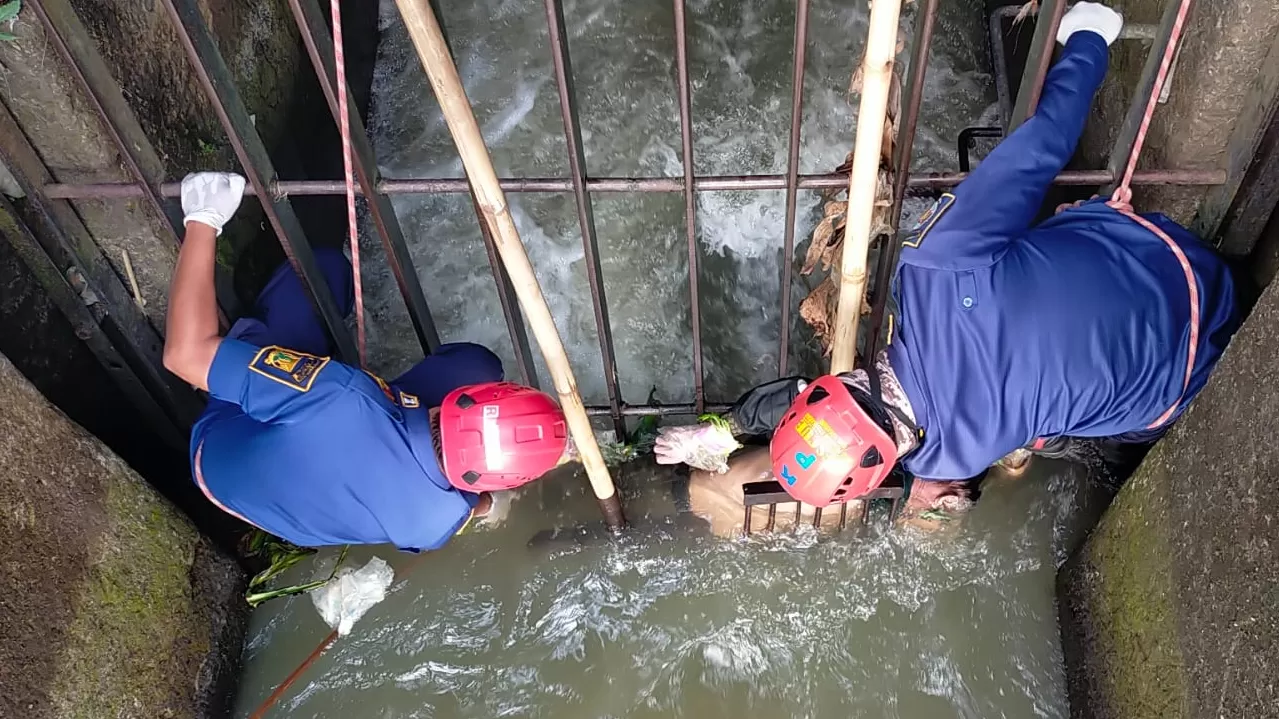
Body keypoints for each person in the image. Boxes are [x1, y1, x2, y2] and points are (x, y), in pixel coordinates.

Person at [654, 2, 1240, 526]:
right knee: (1050, 241)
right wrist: (1088, 37)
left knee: (1066, 431)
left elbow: (921, 472)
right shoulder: (935, 264)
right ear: (838, 381)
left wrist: (923, 503)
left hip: (1180, 388)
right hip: (1181, 265)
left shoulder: (952, 456)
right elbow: (1041, 146)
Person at [164, 172, 574, 550]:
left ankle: (254, 369)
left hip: (224, 443)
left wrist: (203, 219)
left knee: (326, 270)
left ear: (468, 399)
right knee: (475, 362)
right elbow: (473, 504)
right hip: (289, 510)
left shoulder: (342, 396)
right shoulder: (434, 524)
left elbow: (184, 354)